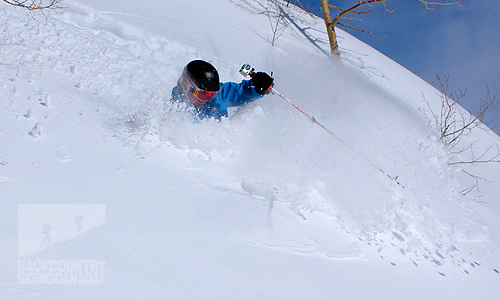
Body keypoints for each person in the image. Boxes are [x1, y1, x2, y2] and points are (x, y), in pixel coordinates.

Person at [171, 60, 274, 120]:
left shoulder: (218, 97)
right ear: (188, 87)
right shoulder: (179, 107)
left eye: (211, 94)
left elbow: (240, 92)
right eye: (203, 94)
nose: (207, 99)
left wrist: (257, 87)